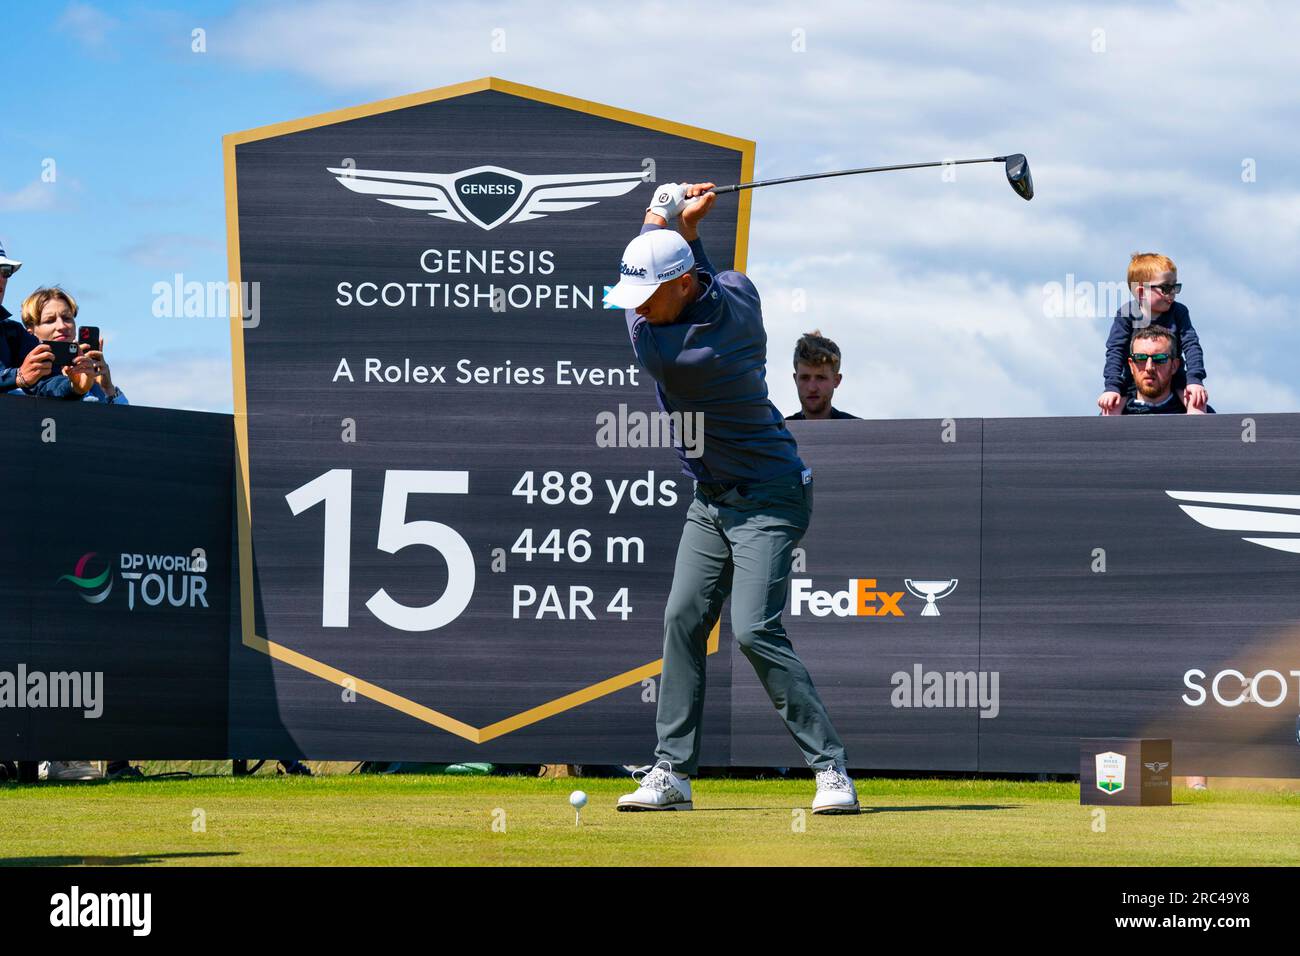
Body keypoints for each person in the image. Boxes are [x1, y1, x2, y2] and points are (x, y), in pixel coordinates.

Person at [605, 181, 858, 814]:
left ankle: (831, 770)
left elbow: (666, 261)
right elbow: (703, 272)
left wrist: (664, 212)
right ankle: (673, 773)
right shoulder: (739, 296)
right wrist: (687, 229)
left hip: (771, 495)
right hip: (710, 498)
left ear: (683, 287)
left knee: (751, 627)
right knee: (682, 618)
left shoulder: (676, 351)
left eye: (649, 293)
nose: (639, 305)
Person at [1097, 252, 1207, 414]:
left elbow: (1191, 345)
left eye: (1174, 287)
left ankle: (1197, 437)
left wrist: (1195, 380)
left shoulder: (1178, 312)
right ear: (1141, 292)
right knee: (1110, 410)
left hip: (1174, 377)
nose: (1171, 294)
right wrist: (1111, 387)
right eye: (1165, 288)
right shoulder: (1127, 314)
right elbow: (1115, 351)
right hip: (1132, 379)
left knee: (1196, 404)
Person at [0, 242, 93, 400]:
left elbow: (45, 381)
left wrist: (75, 386)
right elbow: (23, 377)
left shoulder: (13, 333)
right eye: (50, 320)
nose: (1, 278)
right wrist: (17, 377)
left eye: (5, 270)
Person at [20, 287, 127, 404]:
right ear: (30, 332)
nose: (62, 326)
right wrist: (72, 385)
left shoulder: (87, 371)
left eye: (67, 318)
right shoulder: (27, 374)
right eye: (50, 320)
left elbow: (124, 421)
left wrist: (107, 389)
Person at [1103, 325, 1215, 416]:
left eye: (1159, 359)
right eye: (1140, 358)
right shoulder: (1109, 417)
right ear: (1131, 365)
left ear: (1174, 366)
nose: (1149, 367)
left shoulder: (1202, 414)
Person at [787, 330, 859, 420]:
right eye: (804, 378)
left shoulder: (860, 430)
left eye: (820, 378)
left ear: (836, 380)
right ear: (795, 379)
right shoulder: (778, 432)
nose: (812, 388)